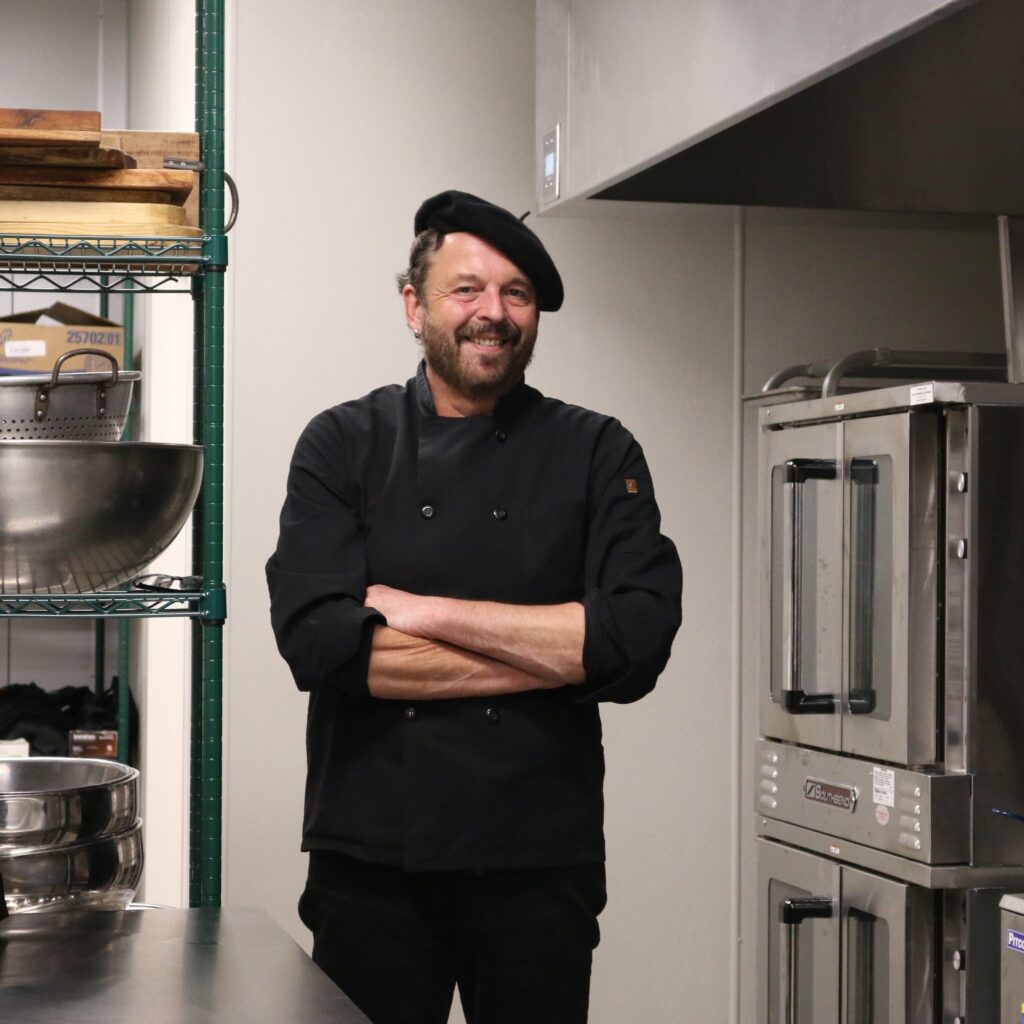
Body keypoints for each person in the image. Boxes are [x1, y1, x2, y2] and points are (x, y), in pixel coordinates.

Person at [266, 190, 683, 1024]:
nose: (492, 313)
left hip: (538, 866)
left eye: (516, 294)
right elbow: (321, 645)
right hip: (374, 862)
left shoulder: (596, 449)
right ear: (414, 306)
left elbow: (636, 641)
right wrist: (555, 651)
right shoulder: (342, 444)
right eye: (467, 290)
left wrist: (426, 613)